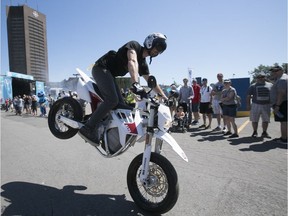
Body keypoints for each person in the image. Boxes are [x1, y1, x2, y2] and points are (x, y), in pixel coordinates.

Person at [79, 33, 168, 144]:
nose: (158, 51)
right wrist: (136, 83)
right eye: (158, 47)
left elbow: (150, 79)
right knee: (112, 100)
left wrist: (164, 96)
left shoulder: (143, 63)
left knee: (123, 107)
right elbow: (132, 61)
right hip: (101, 69)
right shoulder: (134, 46)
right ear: (150, 43)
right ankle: (87, 128)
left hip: (110, 75)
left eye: (161, 50)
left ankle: (101, 129)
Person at [246, 72, 273, 138]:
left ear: (265, 77)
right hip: (256, 104)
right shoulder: (253, 86)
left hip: (266, 105)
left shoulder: (270, 85)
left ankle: (264, 132)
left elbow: (273, 95)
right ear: (257, 78)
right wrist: (248, 105)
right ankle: (255, 132)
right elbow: (248, 96)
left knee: (266, 120)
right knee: (255, 119)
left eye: (262, 77)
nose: (261, 78)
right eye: (259, 77)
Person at [269, 66, 287, 143]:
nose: (273, 72)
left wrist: (277, 106)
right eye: (272, 71)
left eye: (275, 71)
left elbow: (281, 93)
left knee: (284, 122)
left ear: (281, 70)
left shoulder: (282, 79)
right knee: (284, 121)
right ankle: (284, 137)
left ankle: (284, 139)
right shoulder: (282, 78)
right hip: (283, 103)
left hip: (282, 103)